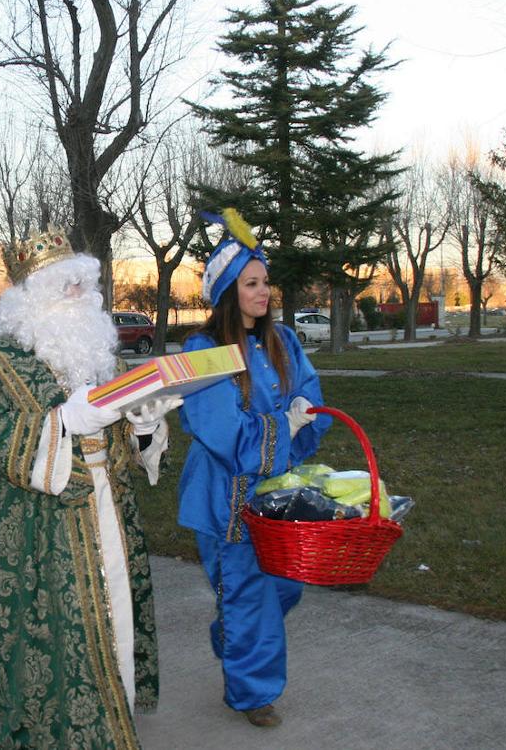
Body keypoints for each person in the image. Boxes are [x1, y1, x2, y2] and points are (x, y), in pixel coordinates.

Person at [0, 230, 177, 749]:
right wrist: (66, 421)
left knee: (116, 605)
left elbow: (121, 444)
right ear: (31, 298)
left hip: (110, 511)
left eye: (84, 283)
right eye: (66, 285)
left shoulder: (103, 361)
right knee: (58, 628)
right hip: (45, 526)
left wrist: (144, 427)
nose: (80, 294)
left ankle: (114, 704)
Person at [176, 209, 331, 729]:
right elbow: (221, 431)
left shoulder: (282, 341)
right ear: (226, 292)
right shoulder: (203, 351)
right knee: (251, 595)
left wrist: (304, 417)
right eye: (251, 284)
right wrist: (279, 428)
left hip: (278, 493)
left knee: (284, 588)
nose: (264, 293)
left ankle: (236, 637)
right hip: (226, 496)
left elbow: (308, 392)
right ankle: (252, 694)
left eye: (265, 283)